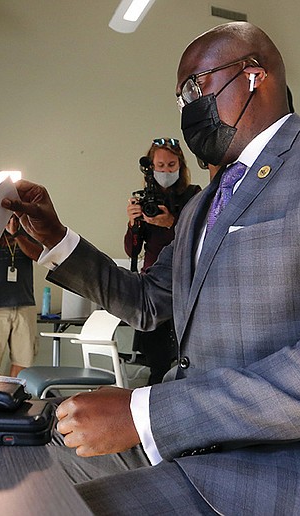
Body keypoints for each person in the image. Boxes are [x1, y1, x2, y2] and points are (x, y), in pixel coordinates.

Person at [3, 21, 300, 515]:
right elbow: (149, 302)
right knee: (14, 463)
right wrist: (56, 239)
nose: (188, 107)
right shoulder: (199, 207)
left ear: (256, 76)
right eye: (179, 98)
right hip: (204, 445)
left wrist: (148, 414)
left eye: (195, 87)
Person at [124, 138, 200, 385]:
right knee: (156, 362)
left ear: (180, 166)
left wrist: (171, 223)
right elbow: (131, 250)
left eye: (171, 164)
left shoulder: (194, 196)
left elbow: (199, 237)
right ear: (151, 168)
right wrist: (133, 223)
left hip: (185, 282)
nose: (166, 171)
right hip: (154, 284)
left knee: (185, 355)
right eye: (160, 165)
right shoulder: (145, 199)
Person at [0, 214, 42, 377]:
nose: (12, 222)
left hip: (25, 305)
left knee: (23, 361)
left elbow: (39, 255)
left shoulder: (28, 232)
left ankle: (11, 397)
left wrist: (16, 234)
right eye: (7, 217)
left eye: (15, 218)